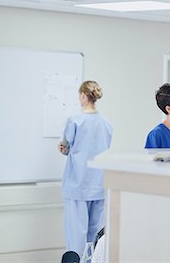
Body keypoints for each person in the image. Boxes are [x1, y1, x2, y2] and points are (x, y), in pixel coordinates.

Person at [58, 80, 113, 259]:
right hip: (99, 185)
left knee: (76, 239)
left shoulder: (75, 120)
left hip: (77, 186)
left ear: (83, 95)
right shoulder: (106, 123)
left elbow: (65, 147)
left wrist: (63, 148)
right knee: (96, 238)